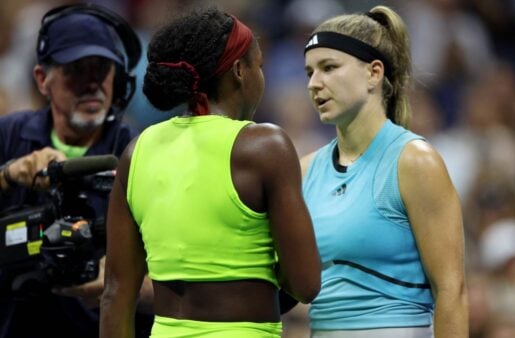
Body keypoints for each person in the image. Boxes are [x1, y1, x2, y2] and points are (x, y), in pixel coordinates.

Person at [100, 7, 321, 338]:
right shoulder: (265, 147)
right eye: (258, 65)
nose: (263, 76)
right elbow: (305, 284)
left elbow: (116, 293)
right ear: (238, 71)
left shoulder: (137, 151)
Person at [300, 5, 468, 338]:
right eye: (309, 73)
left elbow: (452, 291)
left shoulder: (415, 162)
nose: (315, 84)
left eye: (329, 68)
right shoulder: (304, 170)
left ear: (374, 74)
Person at [0, 4, 153, 338]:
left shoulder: (140, 152)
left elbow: (180, 279)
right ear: (42, 79)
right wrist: (8, 174)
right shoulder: (10, 135)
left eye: (102, 69)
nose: (92, 83)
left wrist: (120, 285)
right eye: (76, 70)